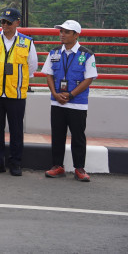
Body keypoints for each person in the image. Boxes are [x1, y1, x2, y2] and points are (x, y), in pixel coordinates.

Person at [0, 8, 38, 176]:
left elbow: (32, 65)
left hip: (15, 94)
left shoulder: (27, 42)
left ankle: (15, 164)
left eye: (8, 22)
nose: (4, 25)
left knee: (16, 129)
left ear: (17, 23)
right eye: (2, 22)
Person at [42, 20, 97, 182]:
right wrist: (54, 93)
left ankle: (79, 168)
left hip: (78, 103)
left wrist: (71, 95)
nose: (62, 34)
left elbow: (89, 78)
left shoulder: (86, 54)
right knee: (57, 134)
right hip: (57, 101)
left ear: (76, 35)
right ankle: (57, 166)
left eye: (66, 32)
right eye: (61, 31)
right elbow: (49, 75)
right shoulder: (54, 52)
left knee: (78, 136)